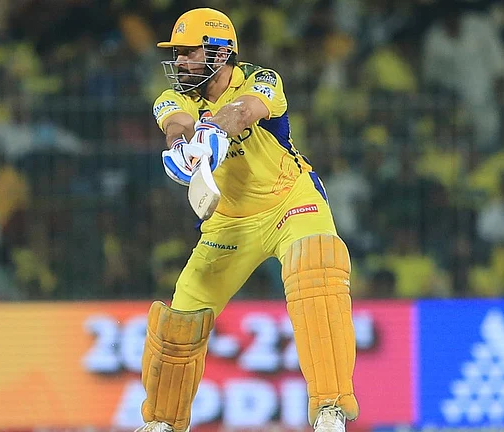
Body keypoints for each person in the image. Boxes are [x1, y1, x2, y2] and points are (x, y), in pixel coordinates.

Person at [138, 8, 359, 432]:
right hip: (228, 222)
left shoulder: (263, 79)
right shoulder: (175, 97)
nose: (180, 63)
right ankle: (163, 422)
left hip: (289, 201)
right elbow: (176, 124)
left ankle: (330, 407)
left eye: (189, 53)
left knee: (317, 265)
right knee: (181, 317)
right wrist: (183, 148)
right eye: (177, 54)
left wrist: (215, 132)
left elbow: (243, 111)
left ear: (221, 54)